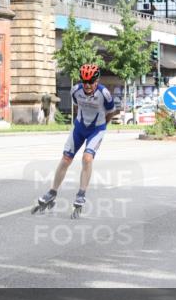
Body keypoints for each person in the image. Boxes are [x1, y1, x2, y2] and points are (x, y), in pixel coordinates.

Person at [33, 64, 120, 217]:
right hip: (79, 127)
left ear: (97, 80)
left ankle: (81, 194)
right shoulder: (76, 90)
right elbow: (77, 106)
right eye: (84, 81)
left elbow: (111, 113)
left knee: (87, 158)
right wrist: (79, 123)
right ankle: (52, 191)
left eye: (91, 81)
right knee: (66, 159)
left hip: (96, 129)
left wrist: (103, 126)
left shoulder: (104, 94)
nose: (87, 84)